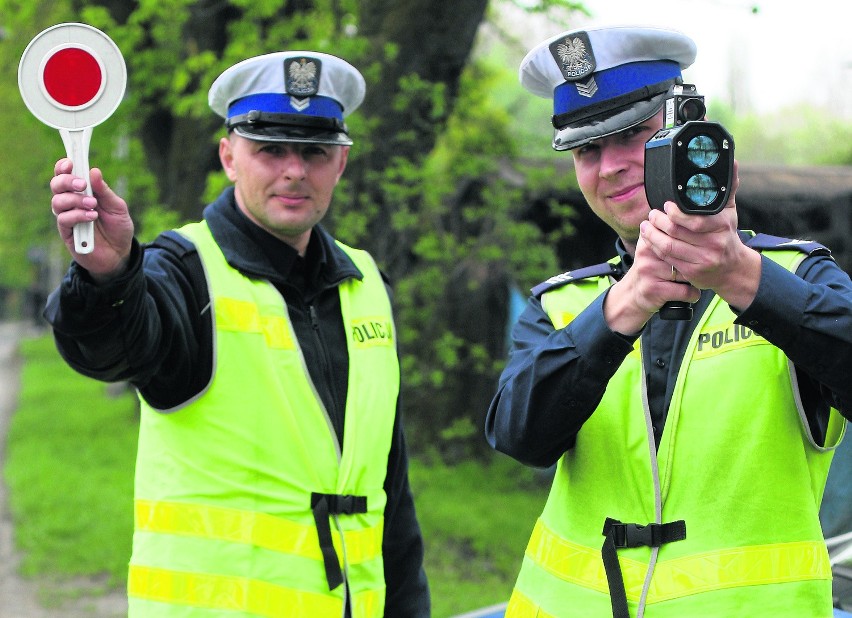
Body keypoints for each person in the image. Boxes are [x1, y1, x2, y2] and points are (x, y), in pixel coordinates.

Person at [45, 50, 430, 617]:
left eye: (315, 152)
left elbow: (389, 495)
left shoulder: (367, 284)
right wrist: (108, 275)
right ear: (229, 156)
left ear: (341, 163)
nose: (294, 170)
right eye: (270, 149)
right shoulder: (182, 268)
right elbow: (113, 350)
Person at [485, 25, 852, 618]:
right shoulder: (562, 303)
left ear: (689, 134)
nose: (609, 167)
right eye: (587, 150)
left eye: (633, 135)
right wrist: (623, 306)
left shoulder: (799, 276)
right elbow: (518, 437)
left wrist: (741, 278)